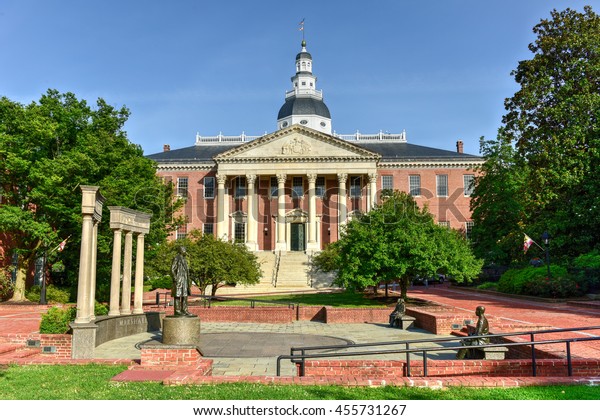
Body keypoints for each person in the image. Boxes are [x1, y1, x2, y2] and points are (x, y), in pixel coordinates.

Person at [171, 246, 193, 317]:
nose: (185, 251)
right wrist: (175, 278)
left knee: (185, 296)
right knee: (177, 296)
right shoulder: (176, 258)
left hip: (184, 279)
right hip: (179, 279)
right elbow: (172, 269)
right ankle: (177, 311)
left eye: (185, 250)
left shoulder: (184, 259)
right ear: (180, 250)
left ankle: (185, 310)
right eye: (183, 250)